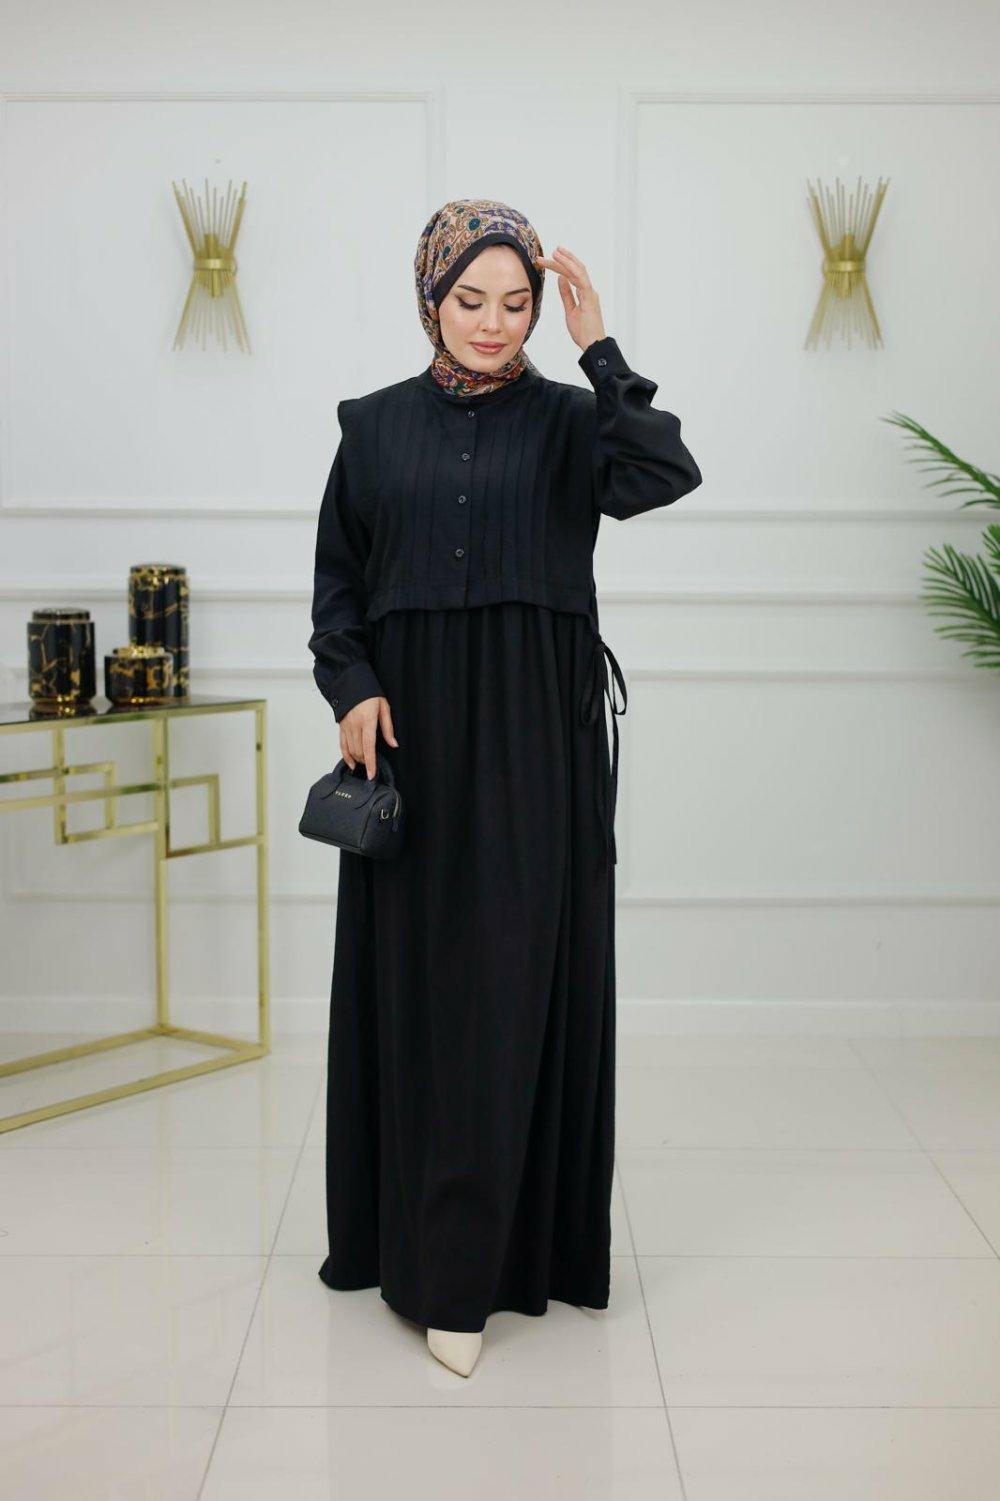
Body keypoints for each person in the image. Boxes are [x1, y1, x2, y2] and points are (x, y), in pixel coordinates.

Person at [308, 197, 702, 1377]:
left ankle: (490, 1265)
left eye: (516, 303)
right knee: (423, 986)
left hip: (539, 734)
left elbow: (664, 472)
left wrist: (599, 348)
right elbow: (337, 585)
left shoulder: (577, 421)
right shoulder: (373, 426)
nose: (491, 322)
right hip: (411, 736)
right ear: (430, 297)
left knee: (516, 977)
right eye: (469, 299)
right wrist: (352, 684)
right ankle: (418, 1252)